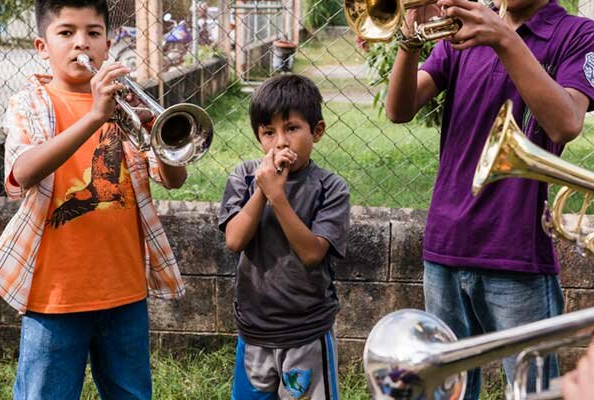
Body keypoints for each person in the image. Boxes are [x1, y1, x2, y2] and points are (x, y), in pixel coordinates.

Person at [384, 0, 594, 398]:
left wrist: (502, 36)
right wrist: (409, 41)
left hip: (516, 253)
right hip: (444, 246)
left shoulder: (578, 35)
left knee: (530, 390)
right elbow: (399, 109)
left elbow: (566, 123)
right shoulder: (463, 30)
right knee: (447, 389)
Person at [0, 0, 187, 398]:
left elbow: (174, 179)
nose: (81, 43)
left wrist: (161, 139)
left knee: (132, 392)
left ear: (109, 44)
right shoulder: (30, 103)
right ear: (42, 46)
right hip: (54, 298)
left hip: (125, 293)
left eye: (93, 33)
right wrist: (95, 117)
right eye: (66, 32)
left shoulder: (126, 104)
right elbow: (23, 171)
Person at [218, 74, 350, 400]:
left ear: (316, 131)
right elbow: (234, 240)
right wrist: (263, 191)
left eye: (291, 128)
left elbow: (311, 254)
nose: (280, 142)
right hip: (254, 330)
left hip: (306, 331)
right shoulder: (244, 177)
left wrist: (278, 197)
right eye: (268, 132)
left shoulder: (330, 188)